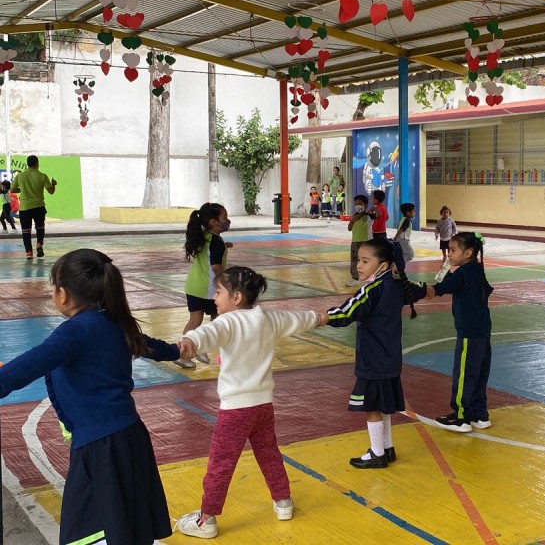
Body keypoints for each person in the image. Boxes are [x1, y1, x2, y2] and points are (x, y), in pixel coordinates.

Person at [0, 249, 179, 545]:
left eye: (53, 287)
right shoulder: (112, 322)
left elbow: (33, 363)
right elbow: (151, 347)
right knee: (129, 523)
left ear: (64, 294)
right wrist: (177, 349)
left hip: (101, 448)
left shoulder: (76, 331)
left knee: (90, 532)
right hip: (128, 438)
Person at [175, 266, 327, 538]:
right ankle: (283, 502)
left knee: (221, 462)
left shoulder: (227, 322)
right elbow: (297, 319)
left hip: (235, 410)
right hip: (263, 406)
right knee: (268, 452)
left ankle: (206, 519)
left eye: (218, 292)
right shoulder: (267, 318)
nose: (214, 298)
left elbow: (206, 334)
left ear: (235, 298)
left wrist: (189, 339)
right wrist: (318, 318)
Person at [325, 238, 427, 468]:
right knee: (384, 405)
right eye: (358, 260)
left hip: (373, 359)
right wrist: (434, 289)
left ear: (383, 264)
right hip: (390, 359)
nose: (359, 265)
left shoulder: (372, 290)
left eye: (365, 261)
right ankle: (387, 448)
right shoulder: (397, 286)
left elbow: (347, 312)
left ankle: (377, 453)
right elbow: (418, 290)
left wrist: (323, 317)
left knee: (371, 407)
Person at [425, 232, 494, 433]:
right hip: (483, 331)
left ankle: (461, 416)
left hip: (468, 333)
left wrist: (420, 290)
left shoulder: (463, 273)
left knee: (465, 373)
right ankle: (479, 414)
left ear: (468, 253)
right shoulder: (477, 270)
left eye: (453, 251)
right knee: (480, 373)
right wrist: (447, 274)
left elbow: (440, 289)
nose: (449, 255)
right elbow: (458, 285)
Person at [178, 203, 231, 368]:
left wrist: (224, 246)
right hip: (208, 289)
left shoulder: (203, 236)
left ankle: (183, 355)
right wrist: (228, 282)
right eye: (224, 218)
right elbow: (215, 266)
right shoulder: (216, 242)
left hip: (194, 286)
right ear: (214, 222)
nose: (227, 221)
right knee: (219, 320)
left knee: (194, 320)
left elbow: (209, 252)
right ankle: (201, 344)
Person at [10, 154, 56, 258]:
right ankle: (39, 244)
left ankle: (29, 253)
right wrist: (53, 184)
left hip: (25, 208)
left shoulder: (20, 176)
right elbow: (51, 191)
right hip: (39, 207)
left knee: (26, 231)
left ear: (28, 164)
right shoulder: (42, 176)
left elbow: (12, 190)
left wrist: (22, 189)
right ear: (37, 164)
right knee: (40, 228)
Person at [346, 195, 370, 287]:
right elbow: (349, 228)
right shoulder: (354, 216)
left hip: (365, 242)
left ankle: (368, 278)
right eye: (356, 204)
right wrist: (354, 219)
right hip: (355, 241)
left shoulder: (368, 216)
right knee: (354, 260)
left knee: (366, 260)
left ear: (366, 205)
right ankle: (354, 278)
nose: (358, 206)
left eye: (360, 204)